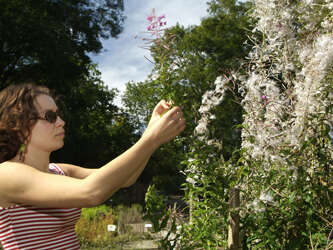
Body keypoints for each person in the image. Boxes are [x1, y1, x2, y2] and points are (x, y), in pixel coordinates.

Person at [0, 83, 185, 249]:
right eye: (50, 116)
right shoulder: (6, 174)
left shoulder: (61, 171)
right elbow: (91, 192)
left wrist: (150, 132)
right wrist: (151, 140)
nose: (61, 122)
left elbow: (126, 178)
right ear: (19, 125)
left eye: (59, 115)